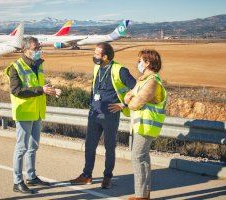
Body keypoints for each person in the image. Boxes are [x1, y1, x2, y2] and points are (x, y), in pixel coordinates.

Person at [70, 42, 136, 189]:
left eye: (96, 54)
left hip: (110, 116)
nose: (94, 56)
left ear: (105, 56)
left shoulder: (120, 70)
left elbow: (137, 89)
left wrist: (124, 104)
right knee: (89, 146)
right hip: (94, 114)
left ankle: (107, 177)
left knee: (109, 147)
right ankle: (86, 175)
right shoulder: (97, 68)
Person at [5, 37, 61, 194]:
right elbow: (17, 91)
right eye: (36, 48)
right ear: (25, 50)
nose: (39, 50)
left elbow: (39, 86)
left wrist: (50, 90)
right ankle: (17, 181)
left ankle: (31, 176)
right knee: (21, 147)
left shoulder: (38, 64)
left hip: (37, 111)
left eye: (39, 47)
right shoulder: (15, 67)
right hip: (24, 112)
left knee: (33, 146)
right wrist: (41, 90)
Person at [125, 49, 166, 200]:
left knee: (138, 157)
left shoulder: (153, 81)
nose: (139, 64)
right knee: (142, 158)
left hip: (146, 126)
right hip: (140, 125)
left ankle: (141, 196)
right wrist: (130, 98)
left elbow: (134, 103)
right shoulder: (143, 80)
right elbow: (127, 97)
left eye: (141, 61)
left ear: (148, 63)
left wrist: (131, 99)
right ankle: (143, 195)